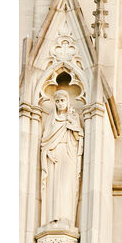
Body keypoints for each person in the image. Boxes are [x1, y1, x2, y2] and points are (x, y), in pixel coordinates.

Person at [40, 90, 84, 227]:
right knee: (53, 186)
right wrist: (47, 153)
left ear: (67, 101)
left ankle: (66, 217)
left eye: (62, 101)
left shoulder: (73, 117)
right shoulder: (50, 120)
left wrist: (72, 124)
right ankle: (52, 218)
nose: (60, 104)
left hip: (68, 153)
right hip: (54, 156)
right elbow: (45, 142)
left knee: (66, 185)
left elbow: (78, 138)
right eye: (57, 101)